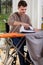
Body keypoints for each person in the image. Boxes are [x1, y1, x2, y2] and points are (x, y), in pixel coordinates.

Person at [8, 0, 33, 65]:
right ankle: (22, 63)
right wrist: (22, 24)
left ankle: (27, 63)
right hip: (14, 37)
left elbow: (30, 27)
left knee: (33, 45)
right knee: (20, 47)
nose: (24, 11)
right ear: (18, 8)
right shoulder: (13, 15)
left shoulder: (27, 17)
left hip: (23, 37)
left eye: (25, 9)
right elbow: (10, 22)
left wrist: (32, 28)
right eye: (22, 9)